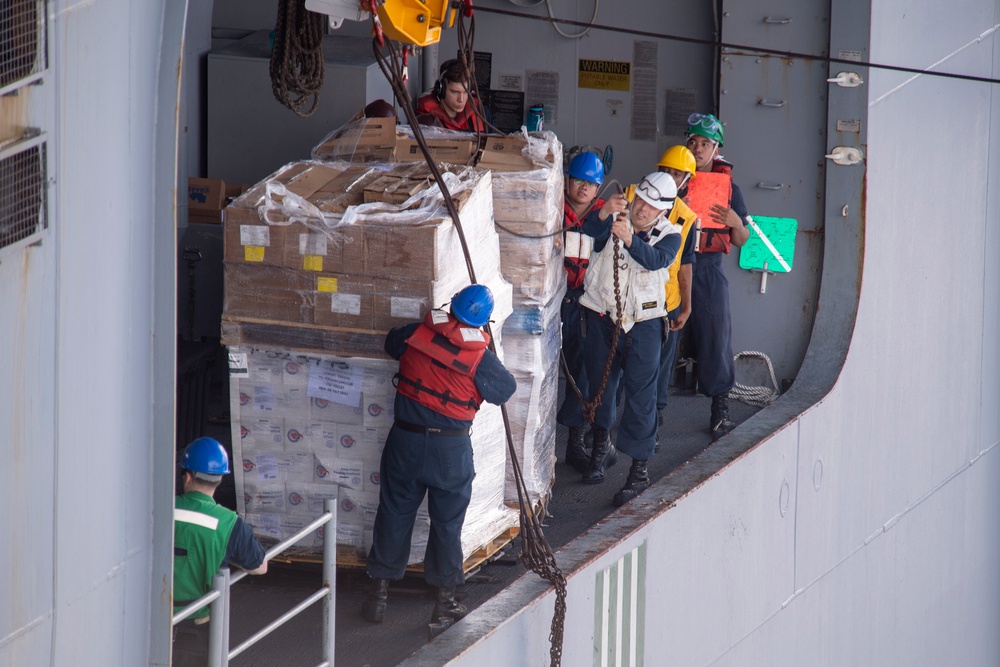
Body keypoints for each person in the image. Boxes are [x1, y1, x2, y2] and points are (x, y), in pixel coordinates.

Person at [362, 284, 516, 636]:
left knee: (394, 512)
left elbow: (390, 343)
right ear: (482, 322)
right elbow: (503, 390)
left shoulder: (416, 333)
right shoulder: (480, 357)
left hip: (405, 441)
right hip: (450, 450)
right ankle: (444, 603)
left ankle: (377, 596)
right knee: (446, 524)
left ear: (451, 306)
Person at [578, 172, 681, 506]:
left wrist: (632, 240)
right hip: (602, 317)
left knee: (641, 398)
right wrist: (604, 213)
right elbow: (584, 235)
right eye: (641, 202)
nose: (643, 211)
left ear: (663, 212)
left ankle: (639, 471)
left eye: (652, 207)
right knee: (599, 388)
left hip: (645, 325)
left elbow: (656, 260)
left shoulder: (671, 235)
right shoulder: (611, 220)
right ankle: (599, 449)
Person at [172, 437, 267, 667]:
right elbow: (259, 566)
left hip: (151, 622)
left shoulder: (160, 508)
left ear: (186, 476)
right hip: (197, 630)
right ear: (220, 479)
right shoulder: (230, 524)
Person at [684, 113, 750, 436]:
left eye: (705, 143)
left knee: (717, 336)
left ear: (717, 148)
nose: (697, 148)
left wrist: (735, 221)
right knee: (663, 337)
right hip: (673, 265)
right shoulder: (674, 179)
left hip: (708, 268)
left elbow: (740, 239)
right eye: (693, 141)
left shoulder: (730, 189)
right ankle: (656, 411)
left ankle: (720, 411)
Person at [557, 151, 606, 473]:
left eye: (591, 183)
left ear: (598, 188)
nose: (584, 188)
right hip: (551, 299)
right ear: (567, 181)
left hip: (587, 303)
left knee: (582, 373)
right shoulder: (549, 210)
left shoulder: (605, 218)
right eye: (579, 181)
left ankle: (575, 441)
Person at [654, 146, 701, 431]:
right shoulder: (634, 196)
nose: (671, 177)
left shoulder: (687, 218)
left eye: (677, 173)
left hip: (666, 302)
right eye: (667, 171)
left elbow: (686, 264)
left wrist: (686, 306)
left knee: (661, 366)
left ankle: (655, 419)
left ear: (687, 180)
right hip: (629, 301)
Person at [416, 59, 486, 132]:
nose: (461, 99)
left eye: (466, 92)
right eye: (455, 92)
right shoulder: (424, 119)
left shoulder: (481, 114)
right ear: (440, 90)